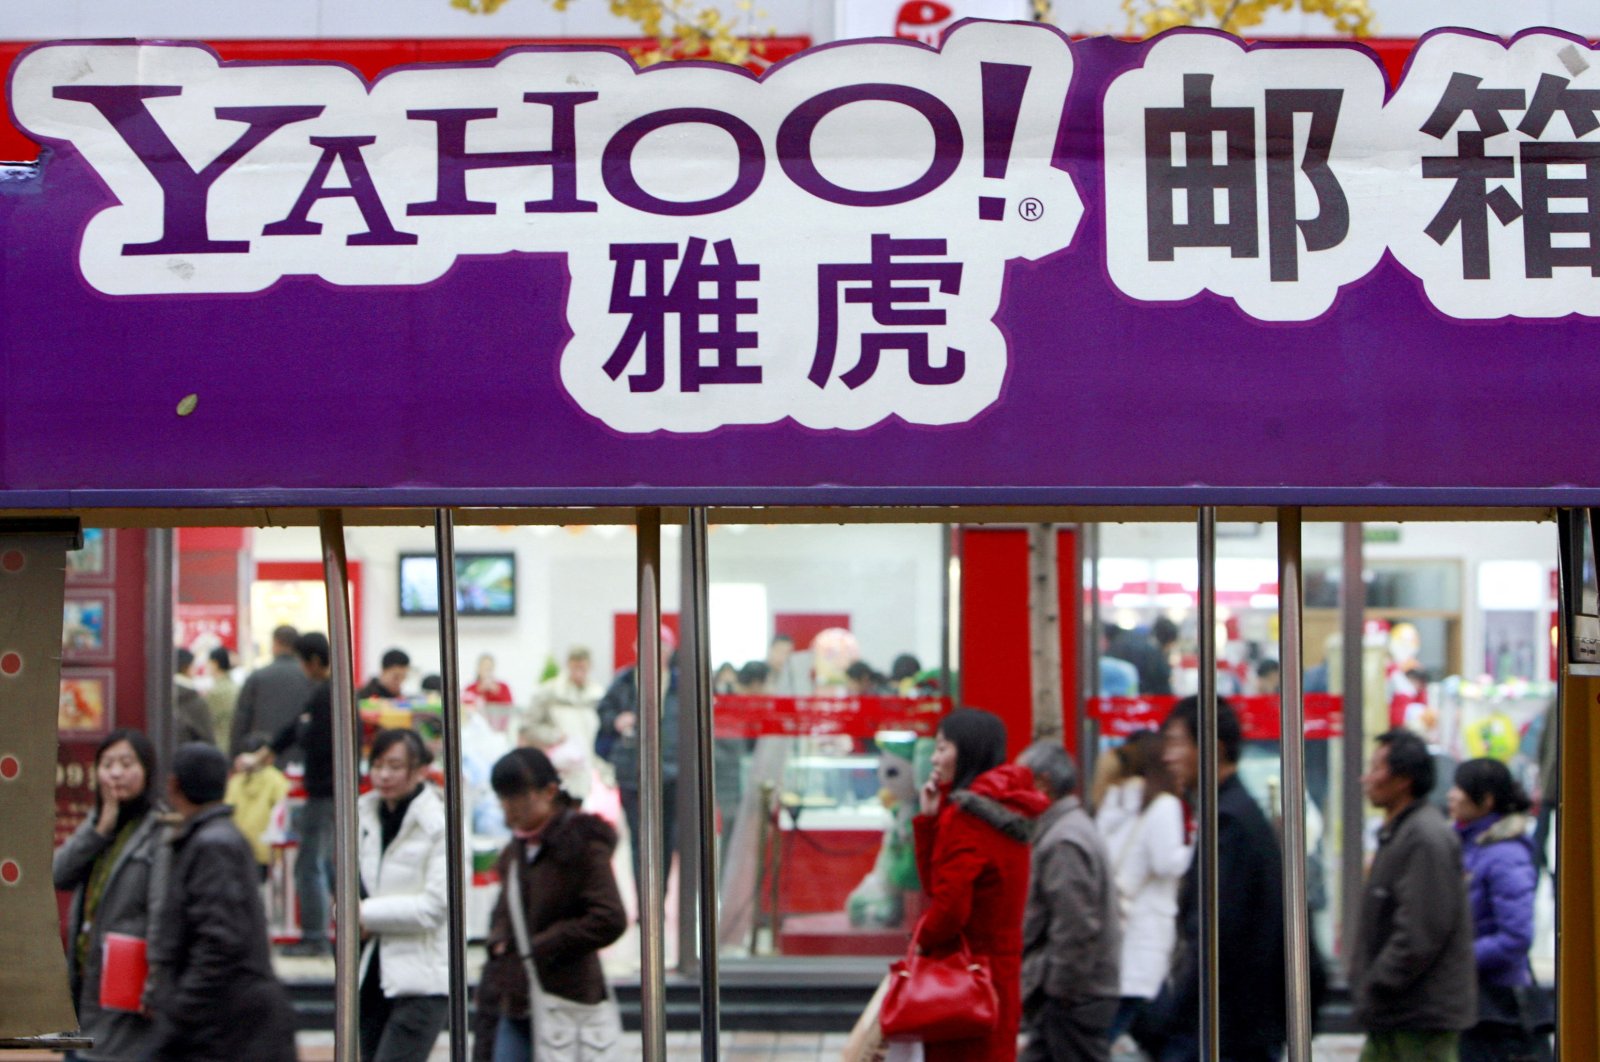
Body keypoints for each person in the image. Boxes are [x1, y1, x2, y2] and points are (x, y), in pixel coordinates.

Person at [1139, 696, 1284, 1062]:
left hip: (1226, 1031)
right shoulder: (1229, 812)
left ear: (1213, 749)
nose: (1167, 757)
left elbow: (1216, 934)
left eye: (1176, 743)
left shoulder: (1229, 822)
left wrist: (1169, 1018)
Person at [913, 707, 1049, 1062]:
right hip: (1000, 975)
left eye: (943, 748)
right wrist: (929, 822)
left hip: (962, 981)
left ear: (968, 750)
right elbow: (942, 887)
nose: (934, 758)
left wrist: (920, 941)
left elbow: (949, 907)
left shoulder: (967, 819)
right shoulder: (1008, 809)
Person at [146, 742, 297, 1061]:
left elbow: (219, 944)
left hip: (230, 1031)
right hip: (233, 1026)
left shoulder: (212, 845)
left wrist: (177, 1017)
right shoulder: (218, 837)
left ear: (173, 785)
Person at [479, 748, 627, 1062]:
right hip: (517, 997)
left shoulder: (581, 843)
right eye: (503, 798)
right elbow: (505, 913)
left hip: (568, 995)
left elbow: (610, 917)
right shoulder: (516, 851)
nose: (509, 809)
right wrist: (500, 942)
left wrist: (543, 945)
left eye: (518, 798)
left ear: (549, 792)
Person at [1350, 729, 1476, 1061]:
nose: (1366, 778)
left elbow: (1421, 929)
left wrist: (1377, 981)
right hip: (1398, 1013)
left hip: (1419, 1017)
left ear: (1403, 779)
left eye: (1376, 768)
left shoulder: (1424, 837)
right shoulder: (1402, 831)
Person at [52, 730, 168, 1062]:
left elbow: (160, 913)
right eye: (107, 764)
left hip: (129, 991)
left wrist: (155, 985)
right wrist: (100, 828)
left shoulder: (159, 830)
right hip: (84, 986)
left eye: (126, 763)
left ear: (147, 771)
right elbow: (59, 875)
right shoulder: (99, 824)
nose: (115, 773)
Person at [1016, 740, 1121, 1062]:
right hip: (1072, 995)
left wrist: (1058, 991)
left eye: (1020, 783)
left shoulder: (1064, 839)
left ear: (1042, 784)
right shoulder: (1066, 830)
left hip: (1072, 999)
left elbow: (1075, 926)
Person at [357, 729, 450, 1062]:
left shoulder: (440, 823)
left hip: (421, 981)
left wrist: (365, 914)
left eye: (394, 766)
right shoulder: (362, 815)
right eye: (377, 764)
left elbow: (436, 907)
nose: (383, 775)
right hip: (371, 976)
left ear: (421, 770)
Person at [1092, 730, 1190, 1043]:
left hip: (1115, 924)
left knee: (1145, 1019)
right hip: (1143, 927)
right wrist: (1201, 847)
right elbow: (1167, 862)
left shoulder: (1114, 799)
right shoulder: (1163, 806)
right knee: (1128, 1018)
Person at [1449, 758, 1545, 1062]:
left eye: (1461, 788)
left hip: (1496, 1005)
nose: (1452, 795)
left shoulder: (1505, 854)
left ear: (1486, 799)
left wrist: (1457, 957)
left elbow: (1515, 937)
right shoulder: (1468, 844)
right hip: (1470, 995)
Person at [595, 626, 681, 906]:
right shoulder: (623, 681)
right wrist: (618, 720)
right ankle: (645, 901)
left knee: (666, 838)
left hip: (672, 774)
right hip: (633, 772)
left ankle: (661, 898)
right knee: (639, 838)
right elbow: (604, 712)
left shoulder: (681, 684)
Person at [270, 630, 337, 956]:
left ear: (312, 661)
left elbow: (309, 737)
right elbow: (295, 729)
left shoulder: (326, 695)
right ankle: (338, 931)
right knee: (326, 863)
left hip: (324, 791)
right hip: (330, 791)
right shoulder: (328, 693)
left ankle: (314, 938)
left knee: (309, 864)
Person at [523, 645, 606, 799]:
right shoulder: (550, 693)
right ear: (568, 665)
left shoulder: (598, 696)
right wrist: (553, 736)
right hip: (559, 768)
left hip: (589, 770)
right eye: (575, 666)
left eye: (583, 666)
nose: (579, 671)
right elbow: (528, 727)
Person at [230, 625, 314, 757]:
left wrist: (234, 756)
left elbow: (241, 720)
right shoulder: (310, 678)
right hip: (300, 755)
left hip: (262, 756)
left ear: (276, 643)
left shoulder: (257, 677)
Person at [224, 733, 290, 881]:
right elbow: (284, 814)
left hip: (238, 849)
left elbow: (227, 811)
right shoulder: (277, 780)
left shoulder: (235, 781)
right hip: (268, 851)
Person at [173, 648, 215, 746]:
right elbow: (208, 741)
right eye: (193, 666)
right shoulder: (195, 701)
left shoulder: (159, 696)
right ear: (186, 667)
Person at [204, 647, 239, 747]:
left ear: (215, 663)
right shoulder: (235, 687)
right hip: (233, 742)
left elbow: (208, 720)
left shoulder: (216, 692)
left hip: (220, 743)